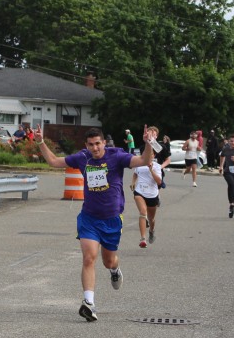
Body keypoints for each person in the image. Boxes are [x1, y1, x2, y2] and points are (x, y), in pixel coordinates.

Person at [38, 126, 153, 322]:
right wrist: (40, 141)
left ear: (104, 143)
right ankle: (89, 303)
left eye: (98, 143)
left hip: (112, 219)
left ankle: (115, 270)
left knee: (108, 261)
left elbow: (143, 160)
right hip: (89, 218)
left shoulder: (116, 156)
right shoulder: (82, 158)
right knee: (89, 257)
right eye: (91, 144)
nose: (95, 148)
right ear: (86, 145)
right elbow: (54, 161)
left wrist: (148, 144)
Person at [129, 145, 163, 247]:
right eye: (146, 153)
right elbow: (135, 174)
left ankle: (151, 231)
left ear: (153, 155)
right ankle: (143, 239)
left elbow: (159, 182)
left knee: (151, 219)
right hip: (139, 192)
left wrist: (151, 170)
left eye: (151, 154)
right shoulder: (139, 164)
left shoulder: (157, 166)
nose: (148, 155)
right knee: (143, 212)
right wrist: (133, 182)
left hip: (152, 195)